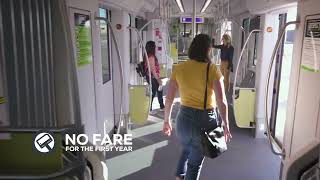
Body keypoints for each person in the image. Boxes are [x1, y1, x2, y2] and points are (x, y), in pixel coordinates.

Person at [162, 34, 232, 180]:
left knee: (188, 147)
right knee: (194, 165)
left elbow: (169, 99)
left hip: (183, 122)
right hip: (204, 121)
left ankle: (179, 175)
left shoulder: (179, 68)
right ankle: (182, 175)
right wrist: (226, 124)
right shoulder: (212, 69)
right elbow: (221, 100)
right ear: (208, 50)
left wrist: (166, 121)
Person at [144, 41, 165, 113]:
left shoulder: (148, 56)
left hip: (151, 77)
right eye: (155, 46)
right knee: (153, 92)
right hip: (153, 77)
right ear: (152, 48)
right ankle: (149, 109)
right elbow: (153, 70)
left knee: (158, 91)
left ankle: (161, 106)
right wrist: (158, 79)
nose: (156, 47)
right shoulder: (151, 57)